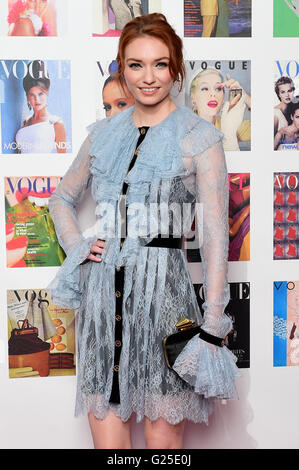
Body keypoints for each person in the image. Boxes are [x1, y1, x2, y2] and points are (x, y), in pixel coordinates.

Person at [48, 13, 240, 449]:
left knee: (165, 448)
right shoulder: (102, 135)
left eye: (159, 64)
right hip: (101, 301)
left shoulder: (199, 139)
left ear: (176, 67)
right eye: (135, 65)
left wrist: (211, 325)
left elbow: (214, 238)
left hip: (167, 306)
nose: (148, 77)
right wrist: (78, 246)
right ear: (121, 68)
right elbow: (61, 199)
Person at [190, 67, 251, 151]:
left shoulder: (230, 123)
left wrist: (244, 95)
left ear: (223, 100)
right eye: (205, 88)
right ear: (193, 99)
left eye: (218, 88)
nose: (213, 94)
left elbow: (266, 124)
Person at [15, 60, 67, 154]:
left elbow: (63, 158)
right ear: (27, 97)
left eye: (40, 94)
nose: (37, 99)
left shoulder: (55, 123)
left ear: (47, 93)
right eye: (32, 95)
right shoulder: (26, 121)